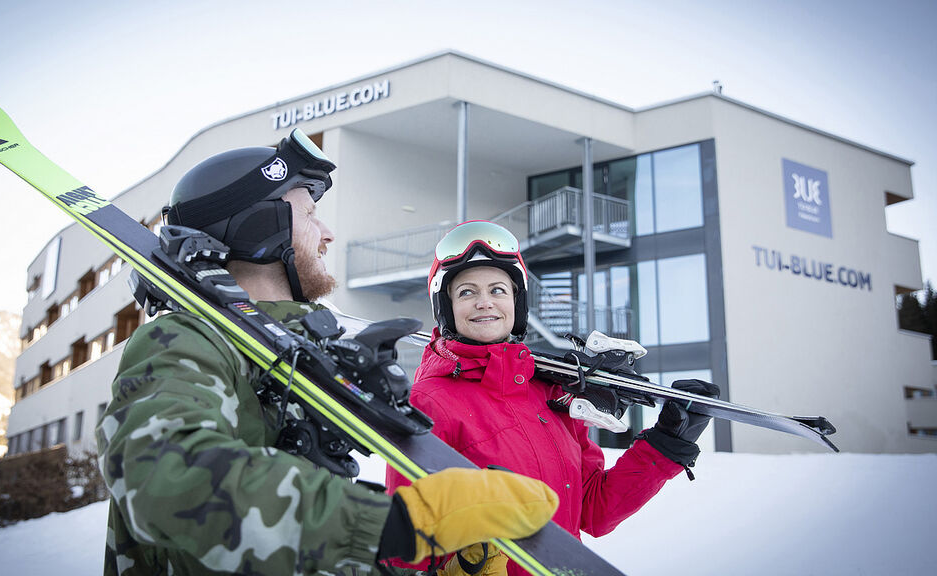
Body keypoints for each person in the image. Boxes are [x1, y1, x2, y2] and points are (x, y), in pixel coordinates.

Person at [96, 133, 559, 576]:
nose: (328, 233)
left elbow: (295, 543)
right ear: (264, 225)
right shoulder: (188, 339)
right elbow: (163, 475)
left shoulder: (287, 349)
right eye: (311, 213)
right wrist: (396, 525)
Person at [385, 220, 720, 576]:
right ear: (447, 305)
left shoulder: (549, 396)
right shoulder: (428, 402)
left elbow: (593, 509)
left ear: (517, 301)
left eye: (498, 289)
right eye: (466, 292)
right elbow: (403, 550)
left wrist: (666, 445)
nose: (485, 303)